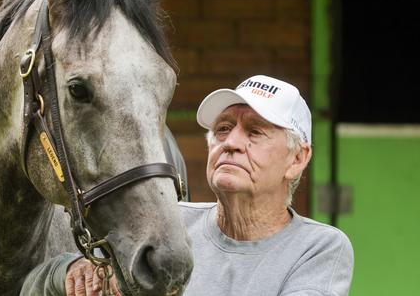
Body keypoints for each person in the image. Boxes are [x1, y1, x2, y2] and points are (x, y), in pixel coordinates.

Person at [21, 75, 354, 296]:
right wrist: (70, 274)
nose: (231, 143)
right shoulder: (167, 223)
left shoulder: (318, 249)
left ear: (297, 159)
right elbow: (31, 286)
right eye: (223, 129)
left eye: (254, 132)